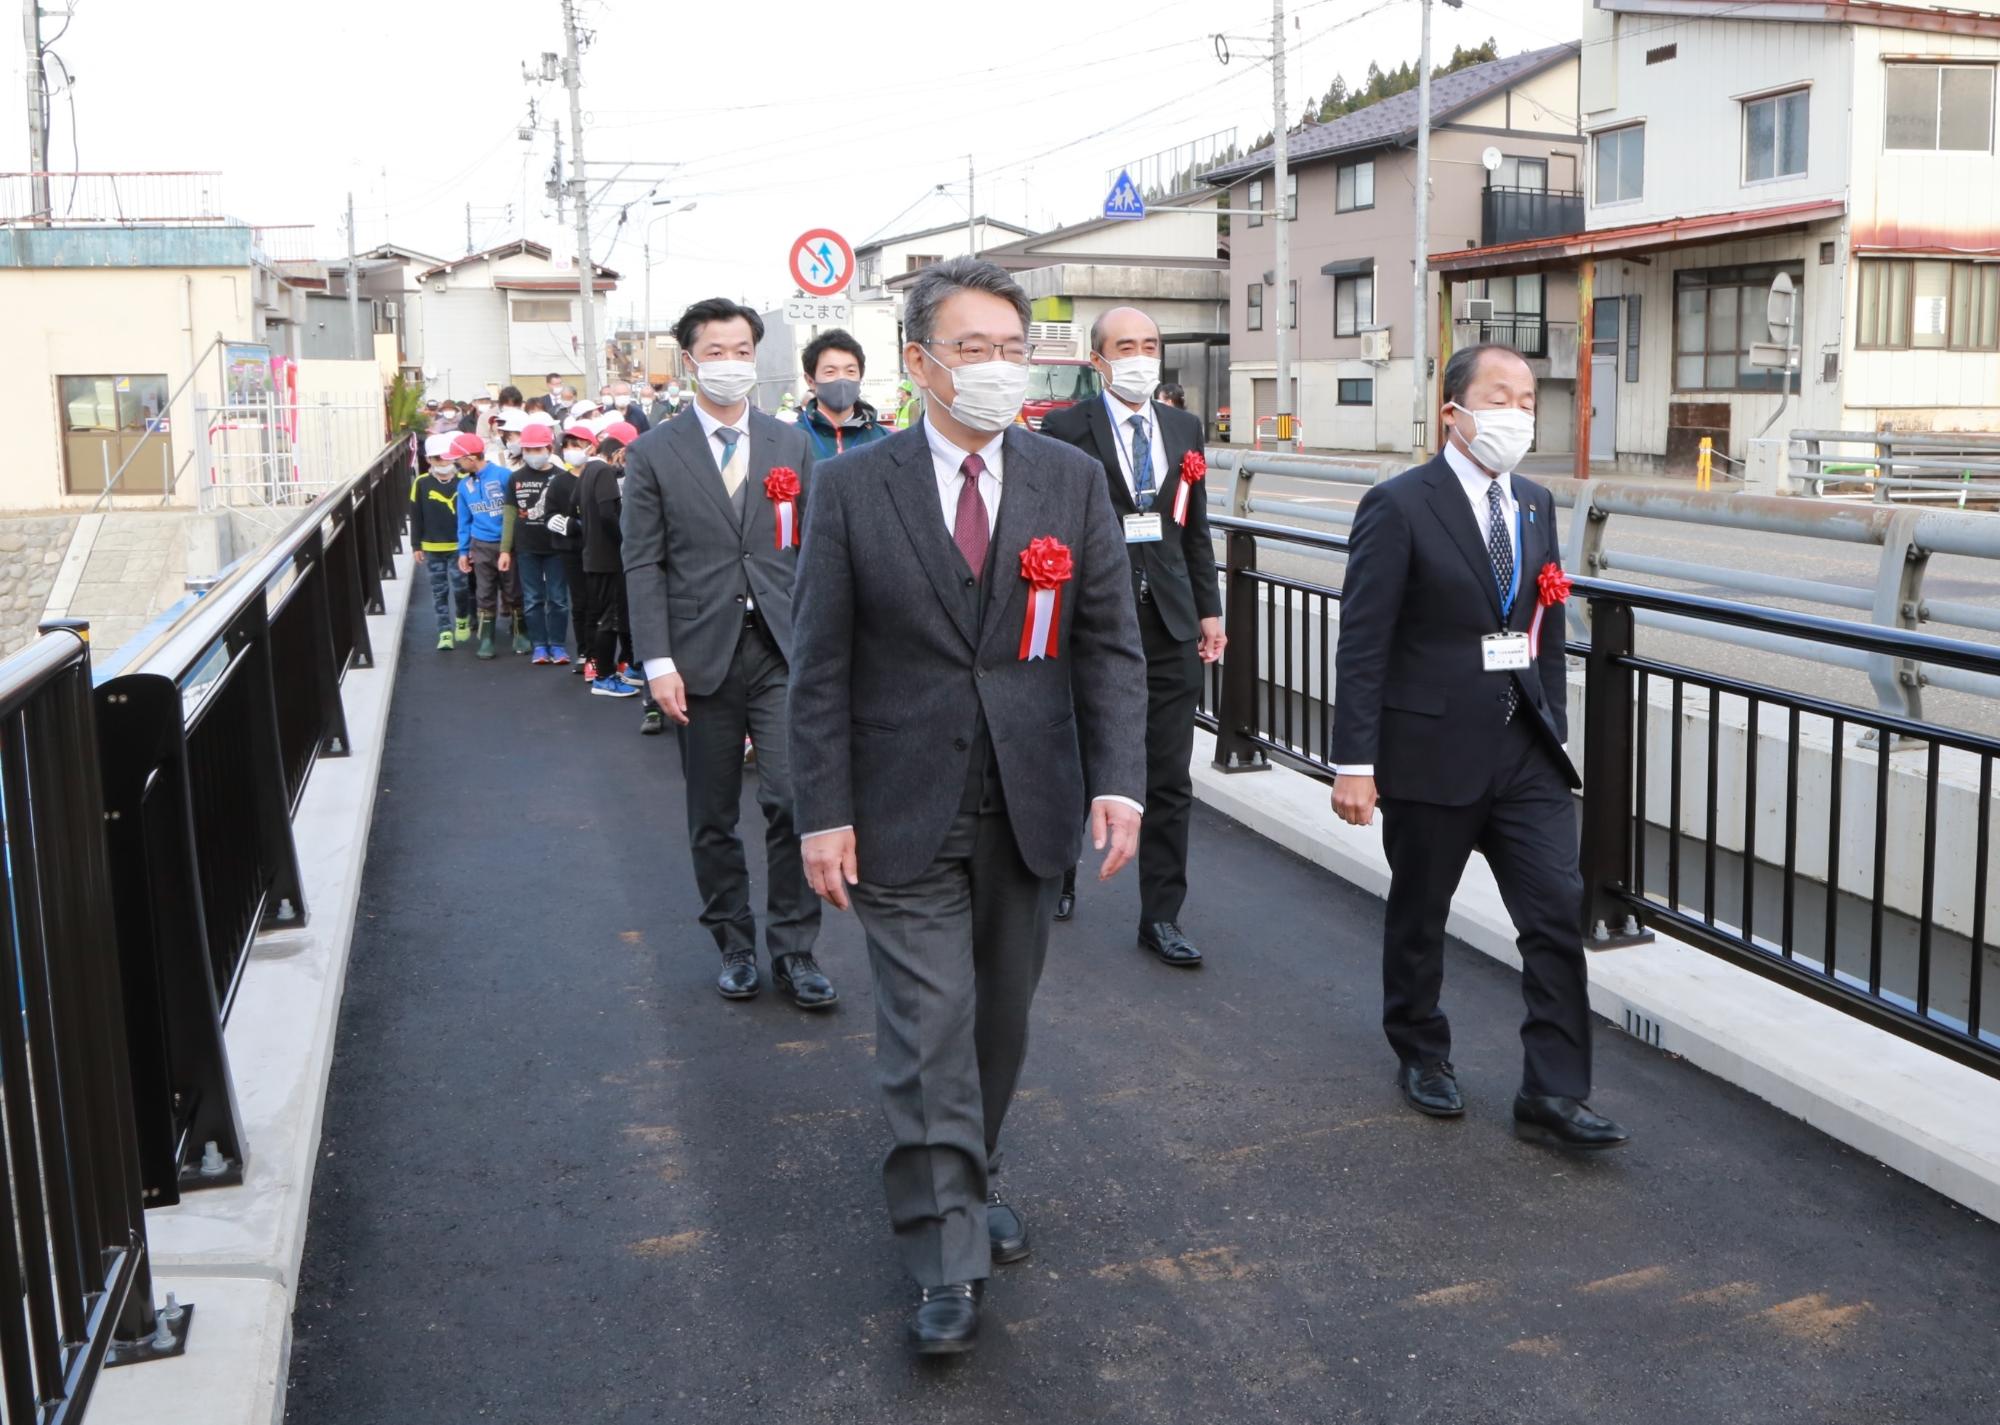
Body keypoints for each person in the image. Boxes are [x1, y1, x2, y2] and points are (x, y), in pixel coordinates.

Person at [789, 258, 1147, 1354]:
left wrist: (1118, 779)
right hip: (898, 804)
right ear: (918, 363)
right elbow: (820, 665)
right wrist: (820, 810)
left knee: (998, 1023)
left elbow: (1107, 646)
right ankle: (945, 1253)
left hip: (1027, 800)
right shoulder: (852, 488)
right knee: (926, 1030)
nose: (996, 370)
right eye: (972, 350)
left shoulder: (1067, 480)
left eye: (1011, 349)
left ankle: (966, 1167)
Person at [1331, 342, 1626, 1151]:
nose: (1519, 414)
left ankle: (1554, 1091)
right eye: (1501, 397)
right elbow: (1363, 641)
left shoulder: (1533, 503)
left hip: (1523, 747)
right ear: (1453, 412)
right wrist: (1354, 760)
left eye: (1529, 400)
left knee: (1555, 916)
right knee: (1422, 912)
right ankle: (1421, 1048)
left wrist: (1552, 722)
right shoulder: (1399, 505)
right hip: (1429, 746)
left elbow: (1546, 625)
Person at [622, 297, 832, 1012]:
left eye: (742, 349)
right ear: (690, 360)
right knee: (711, 811)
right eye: (715, 351)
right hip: (697, 654)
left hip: (782, 646)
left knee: (791, 797)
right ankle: (734, 943)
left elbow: (811, 549)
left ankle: (796, 948)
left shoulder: (791, 443)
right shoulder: (653, 453)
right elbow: (642, 564)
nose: (730, 363)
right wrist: (656, 662)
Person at [1041, 307, 1224, 964]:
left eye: (1150, 344)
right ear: (1099, 359)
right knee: (1074, 753)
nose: (1141, 356)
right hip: (1089, 618)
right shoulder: (1065, 427)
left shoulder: (1184, 426)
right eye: (1126, 346)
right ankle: (1058, 870)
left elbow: (1194, 528)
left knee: (1170, 775)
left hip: (1170, 618)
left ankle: (1161, 914)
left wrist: (1210, 607)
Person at [574, 423, 639, 699]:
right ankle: (604, 676)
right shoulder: (603, 472)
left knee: (605, 615)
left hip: (593, 553)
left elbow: (573, 503)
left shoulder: (587, 469)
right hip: (608, 557)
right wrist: (625, 539)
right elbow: (607, 513)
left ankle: (610, 671)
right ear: (619, 451)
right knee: (608, 619)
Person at [452, 432, 520, 660]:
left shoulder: (503, 476)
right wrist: (463, 550)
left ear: (471, 457)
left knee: (513, 589)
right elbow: (464, 520)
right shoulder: (463, 486)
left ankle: (521, 632)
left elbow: (514, 512)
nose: (456, 464)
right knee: (484, 591)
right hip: (480, 544)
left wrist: (508, 545)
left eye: (459, 459)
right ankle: (487, 638)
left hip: (507, 543)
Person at [510, 422, 571, 665]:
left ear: (549, 448)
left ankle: (557, 644)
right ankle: (539, 646)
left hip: (556, 547)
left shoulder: (561, 476)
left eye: (538, 449)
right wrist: (506, 549)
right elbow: (510, 513)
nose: (533, 455)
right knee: (532, 598)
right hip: (527, 547)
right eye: (528, 450)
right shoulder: (515, 478)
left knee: (558, 598)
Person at [411, 433, 471, 650]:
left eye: (446, 458)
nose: (443, 463)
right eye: (438, 459)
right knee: (439, 590)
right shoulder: (421, 483)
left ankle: (463, 618)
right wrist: (416, 544)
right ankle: (444, 630)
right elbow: (416, 514)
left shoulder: (464, 482)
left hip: (459, 545)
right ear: (429, 460)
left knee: (461, 586)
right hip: (432, 546)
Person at [543, 423, 591, 677]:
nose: (572, 450)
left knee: (604, 603)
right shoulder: (559, 483)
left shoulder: (602, 475)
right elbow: (549, 516)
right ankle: (584, 652)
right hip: (572, 550)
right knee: (580, 602)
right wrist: (576, 525)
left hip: (603, 551)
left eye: (577, 445)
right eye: (568, 446)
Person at [797, 328, 889, 460]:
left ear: (860, 376)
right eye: (830, 372)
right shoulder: (792, 439)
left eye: (850, 371)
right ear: (810, 381)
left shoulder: (884, 439)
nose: (842, 379)